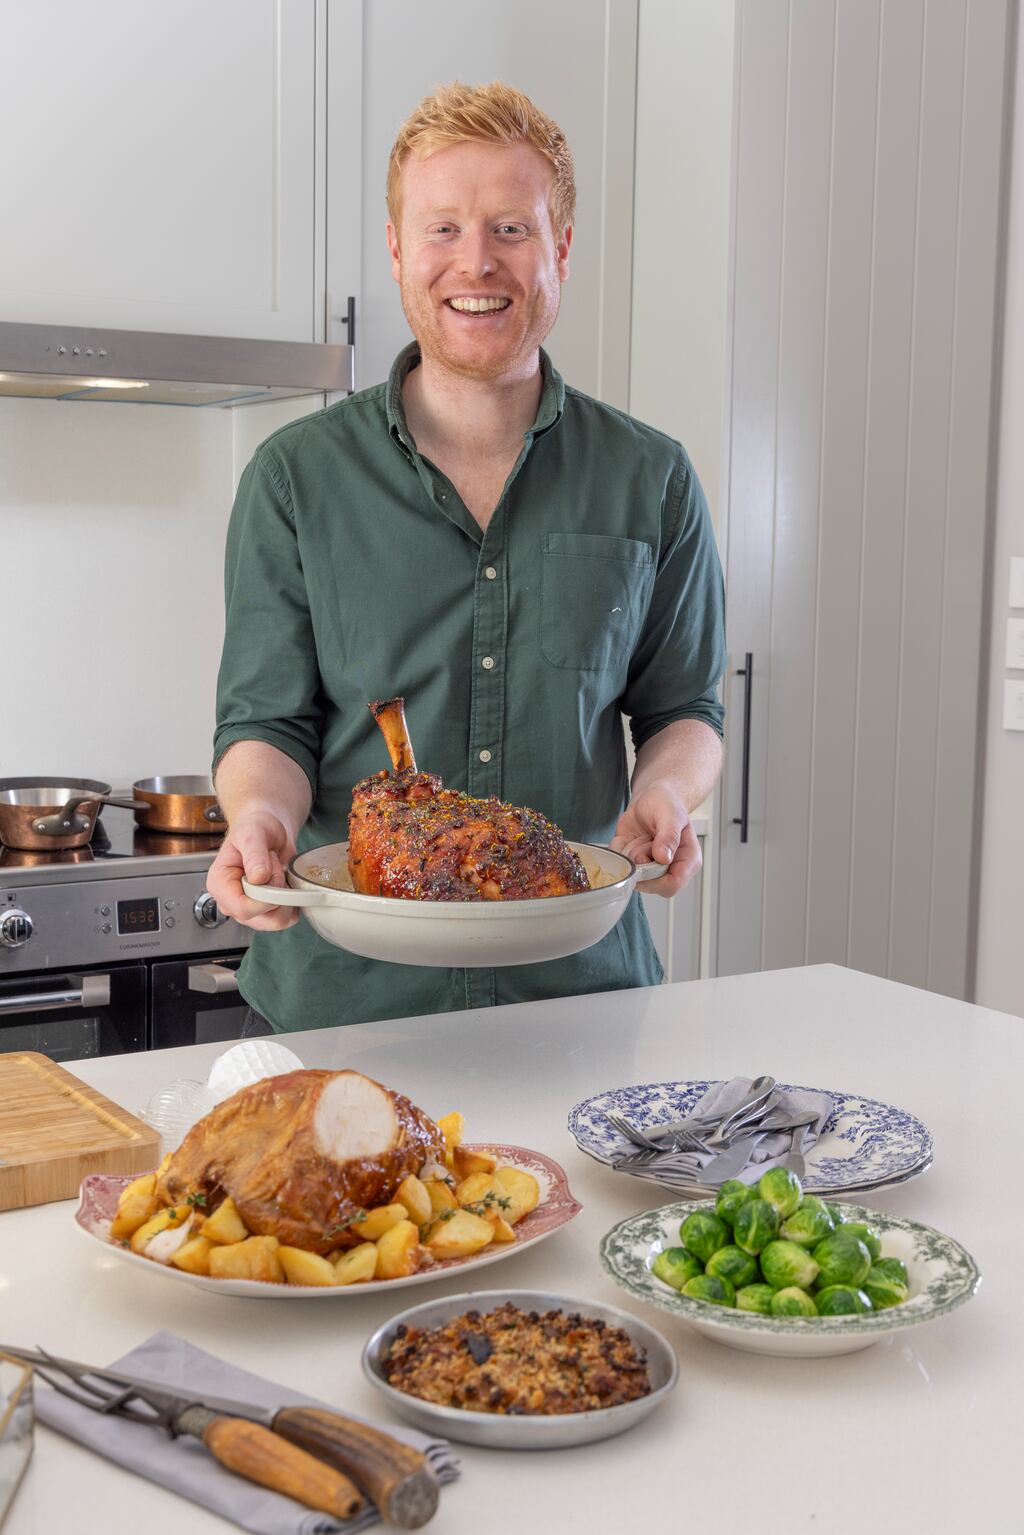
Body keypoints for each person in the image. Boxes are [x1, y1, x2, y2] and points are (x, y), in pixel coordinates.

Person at [208, 81, 727, 1033]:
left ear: (561, 248)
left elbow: (686, 709)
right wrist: (261, 819)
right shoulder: (295, 479)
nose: (474, 262)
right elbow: (265, 721)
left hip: (580, 1003)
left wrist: (665, 790)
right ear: (400, 250)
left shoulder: (650, 478)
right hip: (349, 1009)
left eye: (511, 229)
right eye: (442, 229)